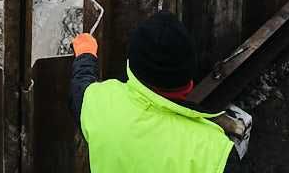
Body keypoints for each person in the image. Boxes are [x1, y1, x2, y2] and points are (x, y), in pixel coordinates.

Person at [70, 11, 235, 173]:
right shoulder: (214, 152)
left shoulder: (101, 105)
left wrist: (85, 53)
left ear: (131, 66)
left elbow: (80, 85)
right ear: (189, 83)